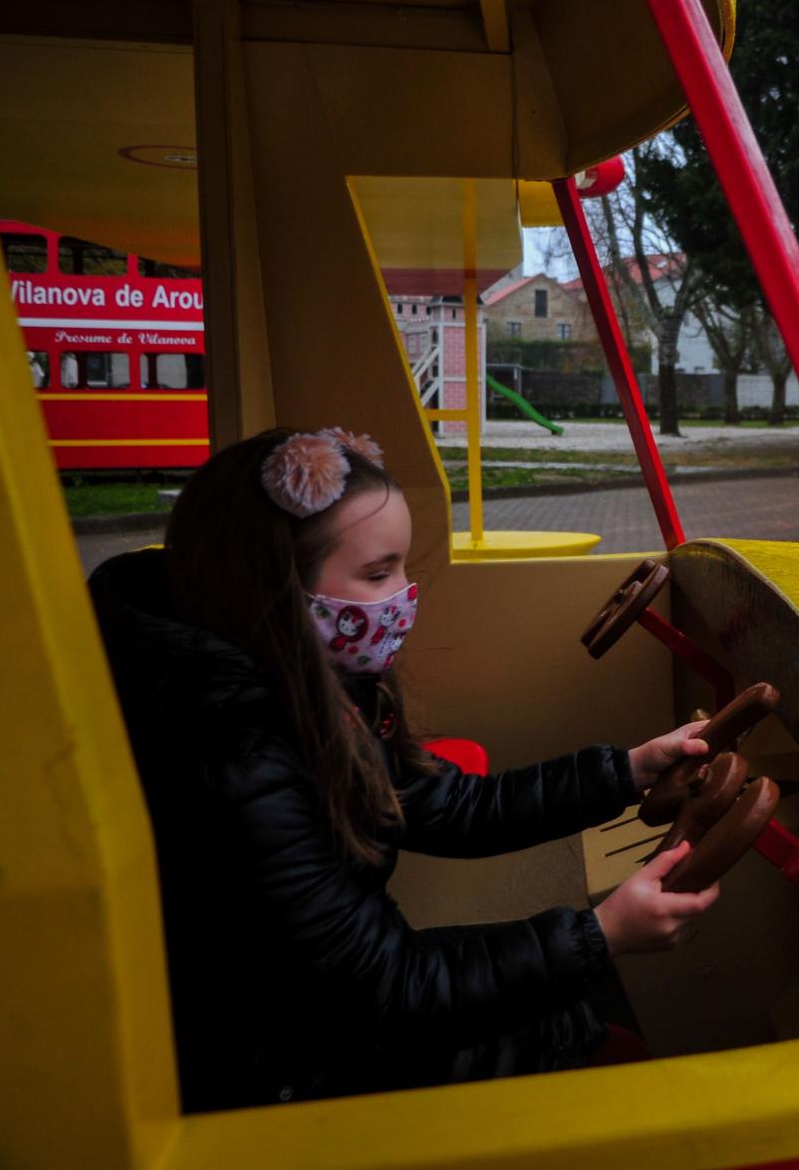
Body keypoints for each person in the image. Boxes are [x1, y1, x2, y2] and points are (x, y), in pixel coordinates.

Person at [87, 427, 718, 1110]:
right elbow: (387, 991)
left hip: (327, 1010)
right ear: (275, 586)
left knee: (573, 1018)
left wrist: (623, 772)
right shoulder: (234, 754)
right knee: (613, 1073)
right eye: (378, 572)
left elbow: (436, 803)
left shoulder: (304, 678)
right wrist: (605, 934)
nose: (404, 596)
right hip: (283, 1071)